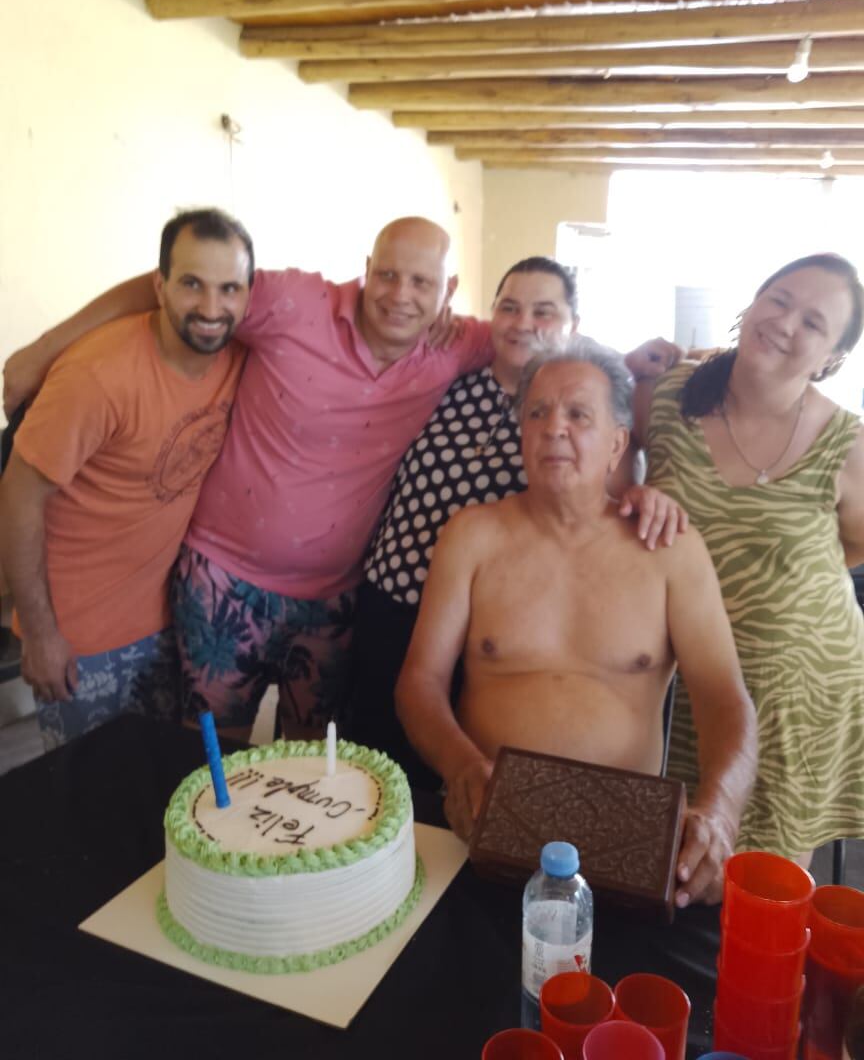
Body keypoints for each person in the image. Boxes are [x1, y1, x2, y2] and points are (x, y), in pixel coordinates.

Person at [3, 219, 678, 743]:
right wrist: (44, 348)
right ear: (366, 271)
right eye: (387, 275)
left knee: (312, 760)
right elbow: (190, 284)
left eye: (421, 283)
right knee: (207, 753)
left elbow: (541, 344)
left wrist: (627, 361)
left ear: (447, 293)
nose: (400, 296)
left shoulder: (454, 345)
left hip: (337, 601)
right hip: (223, 582)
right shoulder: (296, 303)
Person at [395, 337, 757, 907]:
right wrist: (460, 765)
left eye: (578, 414)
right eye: (536, 412)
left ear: (618, 443)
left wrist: (719, 811)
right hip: (484, 825)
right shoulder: (472, 535)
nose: (553, 427)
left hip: (625, 843)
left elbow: (724, 699)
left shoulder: (668, 548)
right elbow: (419, 683)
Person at [353, 257, 687, 786]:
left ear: (574, 325)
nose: (523, 322)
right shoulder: (450, 382)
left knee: (455, 777)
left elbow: (614, 499)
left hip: (490, 627)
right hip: (392, 604)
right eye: (509, 307)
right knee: (377, 780)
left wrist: (648, 495)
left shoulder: (570, 412)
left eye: (543, 311)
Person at [633, 253, 864, 866]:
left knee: (762, 884)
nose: (786, 323)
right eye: (780, 300)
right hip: (680, 683)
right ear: (753, 303)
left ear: (832, 357)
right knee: (668, 860)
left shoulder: (848, 442)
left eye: (814, 323)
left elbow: (856, 546)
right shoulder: (667, 394)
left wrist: (775, 591)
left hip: (799, 695)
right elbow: (606, 475)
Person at [0, 208, 252, 748]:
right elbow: (18, 495)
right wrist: (40, 635)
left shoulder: (238, 351)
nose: (211, 307)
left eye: (229, 288)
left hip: (168, 623)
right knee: (88, 803)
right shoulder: (97, 375)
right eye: (191, 284)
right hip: (79, 638)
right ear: (158, 287)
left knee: (158, 794)